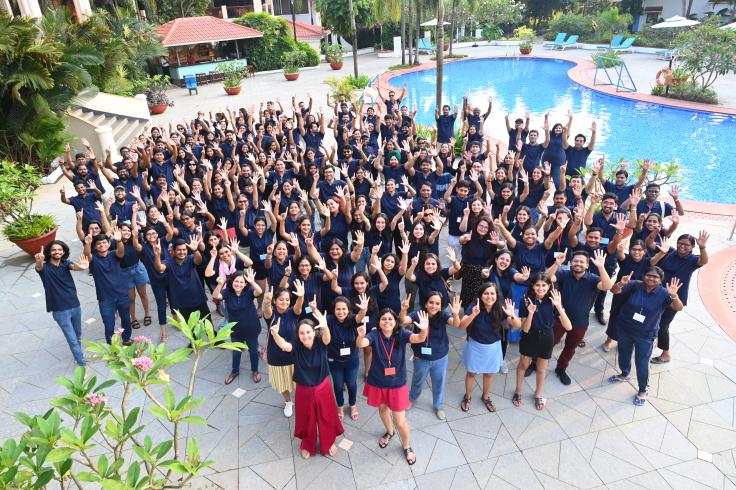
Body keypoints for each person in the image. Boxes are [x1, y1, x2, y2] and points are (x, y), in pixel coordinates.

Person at [356, 308, 429, 465]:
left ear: (395, 322)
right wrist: (360, 335)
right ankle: (389, 431)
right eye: (384, 319)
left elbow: (418, 339)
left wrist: (424, 330)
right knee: (382, 409)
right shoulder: (375, 335)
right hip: (378, 382)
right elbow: (362, 343)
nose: (387, 321)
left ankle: (407, 445)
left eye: (390, 319)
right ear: (379, 322)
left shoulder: (401, 334)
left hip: (397, 384)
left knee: (400, 420)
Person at [270, 308, 344, 458]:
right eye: (302, 333)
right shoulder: (296, 346)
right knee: (306, 418)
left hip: (323, 387)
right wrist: (275, 334)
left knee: (327, 416)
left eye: (308, 332)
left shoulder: (320, 343)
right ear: (298, 335)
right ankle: (307, 444)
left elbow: (327, 338)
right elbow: (285, 345)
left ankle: (328, 442)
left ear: (314, 332)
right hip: (304, 389)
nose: (305, 336)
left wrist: (324, 325)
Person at [608, 267, 683, 405]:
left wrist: (674, 295)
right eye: (649, 275)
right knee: (623, 353)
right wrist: (621, 284)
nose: (651, 278)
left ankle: (643, 389)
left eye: (655, 277)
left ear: (660, 280)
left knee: (642, 362)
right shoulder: (634, 285)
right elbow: (614, 291)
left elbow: (678, 308)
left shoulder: (664, 293)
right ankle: (624, 374)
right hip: (625, 328)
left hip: (645, 334)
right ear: (644, 276)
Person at [545, 249, 613, 385]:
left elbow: (607, 286)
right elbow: (546, 278)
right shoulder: (564, 274)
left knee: (570, 347)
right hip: (559, 318)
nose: (578, 264)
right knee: (549, 342)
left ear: (587, 265)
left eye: (582, 262)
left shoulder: (593, 279)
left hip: (580, 322)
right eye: (576, 261)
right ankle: (536, 363)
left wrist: (601, 267)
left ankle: (561, 369)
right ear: (571, 263)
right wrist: (557, 264)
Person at [513, 273, 572, 411]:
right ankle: (518, 391)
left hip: (546, 337)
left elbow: (568, 327)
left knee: (541, 368)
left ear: (549, 286)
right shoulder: (525, 301)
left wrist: (558, 307)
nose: (541, 288)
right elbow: (525, 329)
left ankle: (538, 394)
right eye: (538, 285)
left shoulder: (553, 300)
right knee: (523, 365)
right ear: (533, 286)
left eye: (544, 285)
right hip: (530, 336)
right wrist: (531, 313)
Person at [649, 231, 709, 364]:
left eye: (687, 245)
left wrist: (702, 247)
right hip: (659, 293)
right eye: (680, 243)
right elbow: (650, 245)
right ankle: (654, 340)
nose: (682, 246)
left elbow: (704, 261)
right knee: (654, 320)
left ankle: (665, 354)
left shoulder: (692, 260)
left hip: (675, 297)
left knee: (663, 325)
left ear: (692, 247)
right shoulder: (670, 253)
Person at [459, 283, 519, 412]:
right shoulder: (474, 307)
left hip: (493, 347)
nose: (489, 296)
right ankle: (467, 397)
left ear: (497, 295)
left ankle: (485, 397)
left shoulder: (501, 308)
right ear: (480, 295)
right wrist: (472, 315)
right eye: (486, 293)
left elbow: (517, 325)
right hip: (475, 346)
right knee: (471, 373)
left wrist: (512, 315)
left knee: (488, 374)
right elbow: (462, 325)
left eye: (492, 293)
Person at [402, 294, 462, 420]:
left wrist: (456, 314)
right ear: (425, 303)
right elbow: (404, 320)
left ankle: (439, 405)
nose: (433, 305)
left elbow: (456, 324)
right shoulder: (419, 314)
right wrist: (403, 310)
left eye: (437, 303)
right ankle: (412, 398)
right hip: (420, 357)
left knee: (439, 382)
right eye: (431, 302)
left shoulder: (444, 315)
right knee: (417, 380)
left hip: (440, 357)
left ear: (440, 306)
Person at [35, 241, 90, 366]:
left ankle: (78, 356)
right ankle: (81, 364)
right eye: (54, 250)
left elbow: (75, 267)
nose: (57, 252)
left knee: (78, 334)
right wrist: (39, 260)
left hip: (75, 305)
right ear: (49, 252)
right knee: (72, 338)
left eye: (60, 249)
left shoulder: (66, 264)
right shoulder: (44, 268)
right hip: (60, 310)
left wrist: (82, 266)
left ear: (63, 252)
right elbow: (38, 267)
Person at [212, 269, 263, 384]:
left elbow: (259, 292)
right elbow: (216, 296)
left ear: (245, 284)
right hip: (236, 329)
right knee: (236, 351)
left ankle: (255, 370)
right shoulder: (227, 292)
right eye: (236, 281)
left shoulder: (249, 291)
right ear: (232, 281)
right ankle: (234, 371)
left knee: (253, 350)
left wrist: (252, 281)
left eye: (242, 282)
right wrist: (220, 284)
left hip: (251, 328)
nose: (238, 284)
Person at [84, 230, 133, 345]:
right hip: (105, 298)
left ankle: (126, 339)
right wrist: (87, 243)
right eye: (99, 244)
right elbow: (87, 255)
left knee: (126, 319)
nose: (102, 245)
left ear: (109, 244)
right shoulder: (93, 259)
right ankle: (112, 347)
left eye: (104, 242)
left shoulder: (114, 254)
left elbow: (121, 252)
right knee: (109, 323)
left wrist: (119, 240)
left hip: (122, 294)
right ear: (95, 247)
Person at [264, 284, 305, 417]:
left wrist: (301, 295)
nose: (285, 302)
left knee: (300, 382)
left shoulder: (292, 313)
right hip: (276, 356)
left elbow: (298, 306)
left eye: (287, 299)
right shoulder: (272, 315)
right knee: (282, 384)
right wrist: (267, 303)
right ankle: (288, 402)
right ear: (275, 300)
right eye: (281, 299)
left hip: (295, 355)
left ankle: (302, 401)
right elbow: (267, 312)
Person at [326, 295, 368, 421]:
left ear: (348, 309)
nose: (341, 312)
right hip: (335, 361)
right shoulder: (329, 320)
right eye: (338, 309)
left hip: (351, 360)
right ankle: (339, 406)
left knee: (352, 384)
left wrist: (363, 310)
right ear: (333, 310)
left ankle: (352, 404)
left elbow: (359, 317)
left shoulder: (352, 319)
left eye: (344, 309)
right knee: (338, 385)